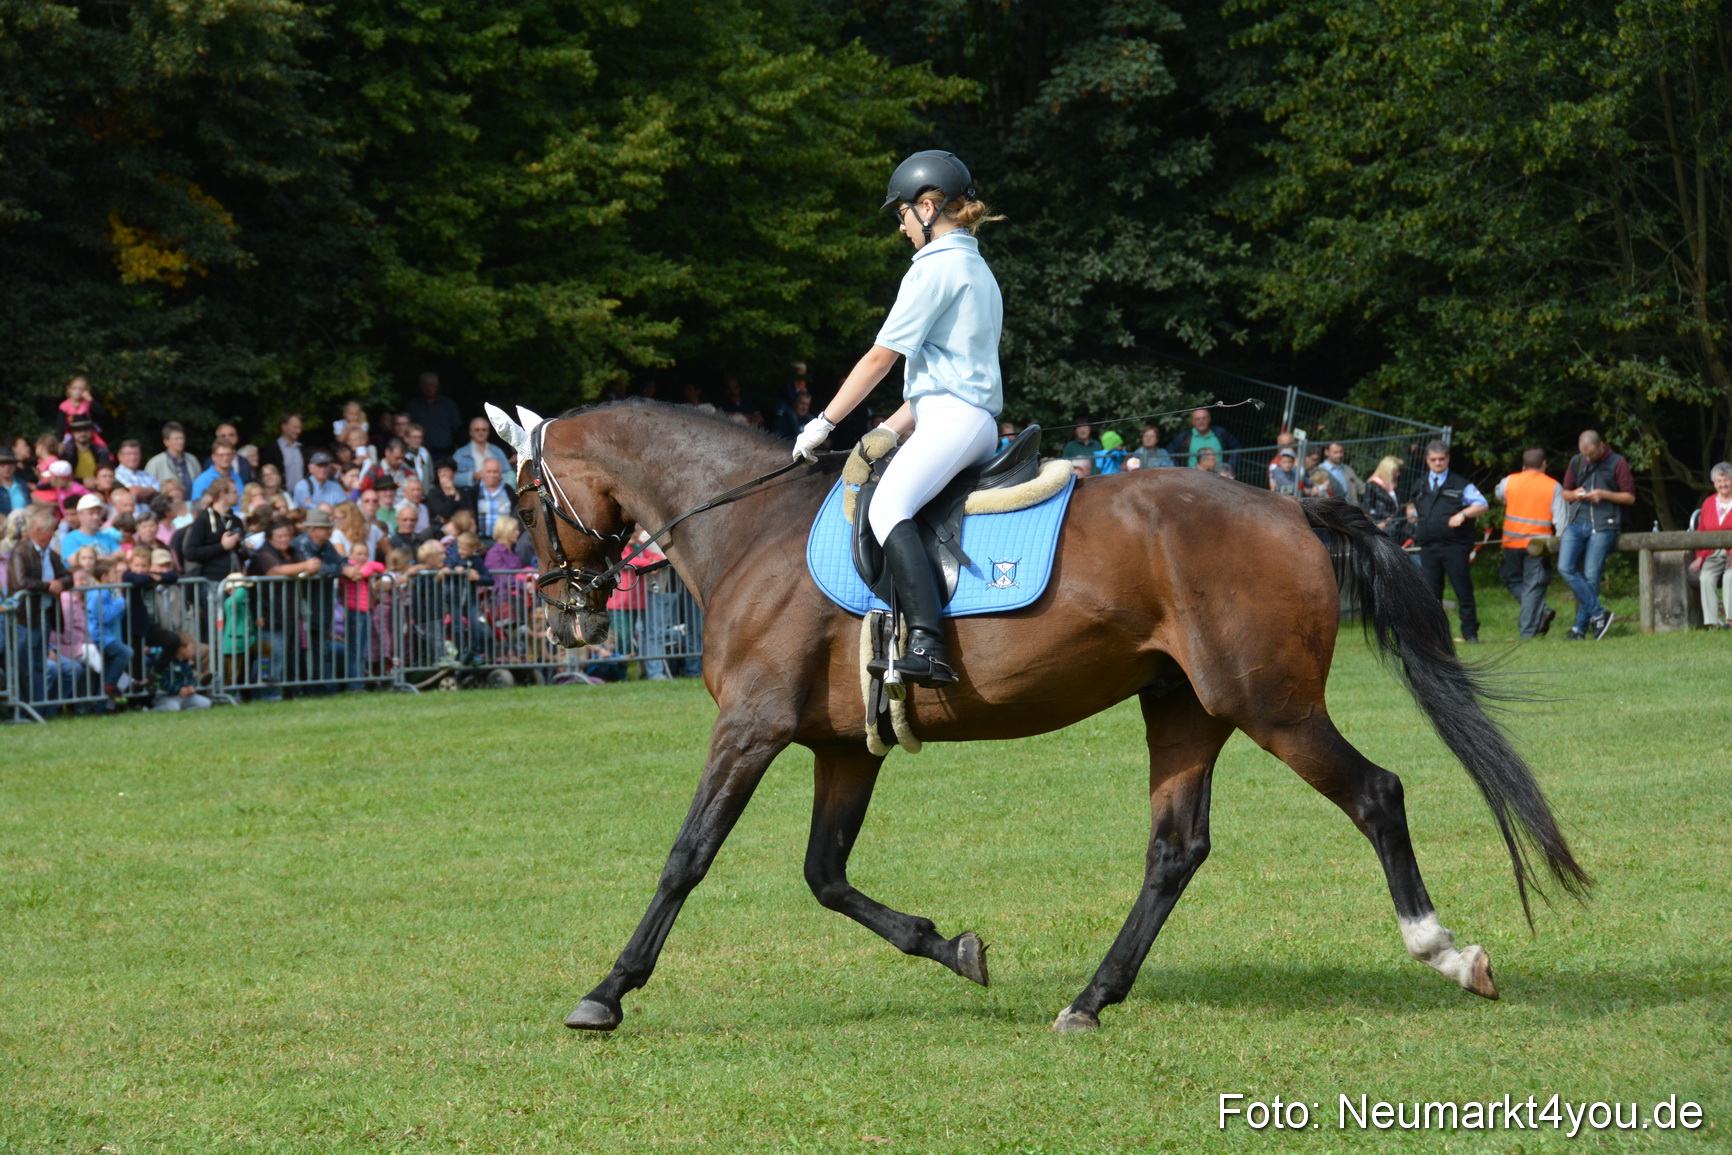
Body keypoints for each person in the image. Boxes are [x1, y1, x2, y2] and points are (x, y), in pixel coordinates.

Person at [792, 150, 1002, 691]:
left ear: (928, 207)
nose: (902, 227)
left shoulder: (934, 269)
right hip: (956, 417)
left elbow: (880, 358)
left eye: (903, 214)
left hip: (953, 421)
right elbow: (943, 374)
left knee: (887, 507)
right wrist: (887, 430)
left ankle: (930, 647)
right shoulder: (975, 265)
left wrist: (824, 422)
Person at [1408, 439, 1488, 644]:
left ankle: (1470, 633)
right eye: (1433, 459)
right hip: (1429, 546)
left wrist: (1463, 514)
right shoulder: (1420, 485)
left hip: (1455, 546)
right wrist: (1411, 513)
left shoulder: (1460, 484)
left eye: (1441, 459)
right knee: (1431, 595)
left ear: (1448, 459)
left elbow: (1482, 505)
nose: (1437, 463)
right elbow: (1413, 505)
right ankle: (1434, 636)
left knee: (1463, 591)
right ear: (1427, 461)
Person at [1558, 431, 1635, 640]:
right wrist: (1575, 494)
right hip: (1576, 523)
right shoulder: (1575, 462)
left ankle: (1579, 629)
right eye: (1585, 455)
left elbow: (1629, 497)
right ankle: (1599, 613)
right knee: (1564, 567)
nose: (1588, 459)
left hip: (1604, 524)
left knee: (1591, 576)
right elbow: (1565, 493)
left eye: (1592, 454)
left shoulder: (1618, 462)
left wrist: (1604, 494)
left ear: (1602, 445)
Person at [7, 507, 81, 716]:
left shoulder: (50, 554)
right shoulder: (21, 551)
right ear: (39, 531)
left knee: (39, 667)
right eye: (51, 531)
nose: (53, 536)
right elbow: (21, 582)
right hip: (24, 619)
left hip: (42, 617)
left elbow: (68, 577)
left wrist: (58, 582)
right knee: (24, 667)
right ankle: (24, 711)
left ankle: (39, 709)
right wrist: (47, 585)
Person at [1495, 448, 1566, 638]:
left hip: (1511, 543)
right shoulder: (1553, 486)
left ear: (1523, 465)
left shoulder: (1509, 481)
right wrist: (1559, 545)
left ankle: (1536, 618)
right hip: (1539, 547)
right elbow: (1561, 521)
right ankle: (1528, 630)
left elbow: (1500, 496)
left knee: (1511, 580)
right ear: (1544, 464)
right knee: (1533, 587)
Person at [1690, 462, 1732, 628]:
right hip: (1712, 552)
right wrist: (1699, 557)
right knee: (1705, 578)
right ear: (1714, 483)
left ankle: (1730, 621)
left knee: (1730, 577)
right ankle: (1711, 622)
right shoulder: (1708, 503)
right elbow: (1701, 532)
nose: (1723, 484)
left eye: (1727, 480)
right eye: (1719, 481)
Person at [180, 478, 245, 581]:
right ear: (222, 495)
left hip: (235, 579)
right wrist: (222, 546)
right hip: (211, 580)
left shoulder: (236, 521)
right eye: (234, 492)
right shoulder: (203, 519)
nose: (238, 495)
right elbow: (191, 553)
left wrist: (246, 546)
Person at [407, 372, 464, 455]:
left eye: (432, 385)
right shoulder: (414, 406)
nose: (429, 388)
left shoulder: (448, 405)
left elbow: (457, 428)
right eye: (426, 385)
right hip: (421, 452)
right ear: (421, 387)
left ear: (437, 387)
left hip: (446, 452)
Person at [150, 633, 212, 711]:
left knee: (206, 703)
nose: (194, 651)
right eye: (192, 648)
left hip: (184, 696)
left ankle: (183, 711)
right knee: (173, 707)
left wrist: (191, 686)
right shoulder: (167, 663)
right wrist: (178, 690)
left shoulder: (185, 664)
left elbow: (191, 678)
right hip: (165, 696)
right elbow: (163, 682)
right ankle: (150, 711)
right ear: (181, 649)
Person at [1167, 407, 1242, 470]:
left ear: (1209, 419)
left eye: (1204, 418)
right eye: (1197, 419)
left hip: (1219, 477)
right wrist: (1180, 471)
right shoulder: (1184, 437)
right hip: (1193, 478)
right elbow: (1169, 453)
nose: (1201, 421)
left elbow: (1236, 447)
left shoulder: (1220, 433)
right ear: (1192, 422)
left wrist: (1230, 466)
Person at [453, 416, 513, 489]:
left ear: (488, 432)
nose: (480, 432)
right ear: (471, 432)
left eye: (484, 430)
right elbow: (452, 478)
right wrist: (472, 476)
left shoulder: (497, 451)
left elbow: (509, 474)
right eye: (477, 430)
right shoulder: (460, 453)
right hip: (469, 496)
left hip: (496, 494)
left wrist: (495, 477)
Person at [144, 422, 200, 495]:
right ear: (166, 442)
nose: (180, 441)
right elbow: (147, 488)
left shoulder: (192, 460)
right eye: (176, 439)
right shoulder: (156, 463)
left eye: (182, 438)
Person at [258, 412, 306, 494]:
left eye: (300, 428)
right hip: (281, 495)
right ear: (284, 427)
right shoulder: (272, 450)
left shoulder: (301, 448)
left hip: (302, 495)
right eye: (295, 427)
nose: (299, 431)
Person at [472, 457, 513, 540]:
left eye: (495, 472)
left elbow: (515, 513)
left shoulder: (508, 490)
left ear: (500, 473)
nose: (492, 475)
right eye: (489, 472)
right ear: (482, 473)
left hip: (505, 540)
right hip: (481, 540)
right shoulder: (473, 492)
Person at [1364, 455, 1403, 536]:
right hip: (1380, 526)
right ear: (1389, 471)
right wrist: (1385, 521)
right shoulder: (1372, 485)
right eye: (1397, 471)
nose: (1399, 474)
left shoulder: (1395, 485)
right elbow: (1368, 509)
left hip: (1396, 523)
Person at [1, 446, 35, 515]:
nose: (7, 468)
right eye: (2, 464)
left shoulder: (22, 484)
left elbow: (30, 505)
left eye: (10, 464)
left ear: (15, 466)